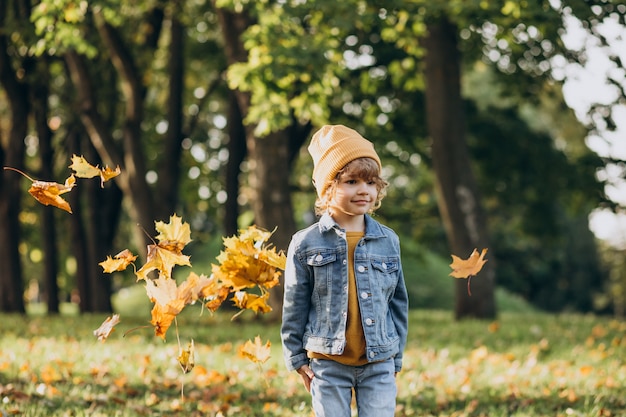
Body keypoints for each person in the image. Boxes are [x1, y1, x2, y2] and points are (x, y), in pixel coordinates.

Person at [281, 124, 409, 417]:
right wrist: (297, 357)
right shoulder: (305, 243)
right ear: (328, 187)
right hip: (328, 362)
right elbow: (294, 304)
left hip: (378, 362)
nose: (364, 190)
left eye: (370, 182)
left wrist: (396, 357)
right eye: (351, 181)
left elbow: (398, 303)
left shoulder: (388, 240)